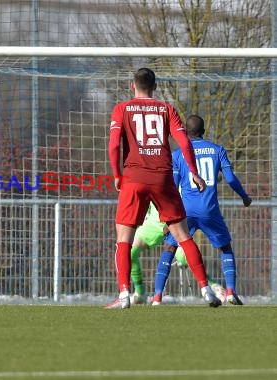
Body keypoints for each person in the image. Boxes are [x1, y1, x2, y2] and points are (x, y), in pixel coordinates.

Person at [106, 67, 221, 309]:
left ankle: (125, 294)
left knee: (124, 239)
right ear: (155, 86)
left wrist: (117, 174)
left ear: (132, 85)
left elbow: (114, 145)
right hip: (162, 179)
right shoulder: (167, 110)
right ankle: (206, 289)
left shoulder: (122, 109)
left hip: (133, 178)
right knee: (183, 236)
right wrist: (194, 173)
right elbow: (184, 143)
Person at [151, 115, 252, 306]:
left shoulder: (178, 154)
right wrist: (244, 196)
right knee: (225, 247)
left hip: (185, 211)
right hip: (209, 210)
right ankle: (230, 291)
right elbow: (230, 179)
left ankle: (157, 296)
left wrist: (167, 219)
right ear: (204, 131)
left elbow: (172, 186)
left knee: (170, 247)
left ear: (185, 133)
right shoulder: (217, 150)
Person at [130, 202, 226, 304]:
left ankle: (213, 286)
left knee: (183, 257)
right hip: (153, 223)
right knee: (130, 252)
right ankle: (140, 292)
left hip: (174, 221)